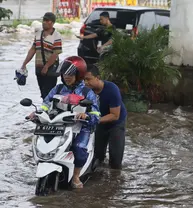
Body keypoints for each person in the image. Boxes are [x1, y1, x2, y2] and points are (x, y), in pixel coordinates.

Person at [29, 56, 100, 188]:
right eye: (64, 74)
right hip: (58, 124)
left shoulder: (87, 92)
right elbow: (46, 104)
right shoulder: (57, 89)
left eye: (71, 74)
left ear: (79, 75)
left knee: (79, 148)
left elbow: (96, 114)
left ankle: (76, 176)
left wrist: (87, 116)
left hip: (80, 126)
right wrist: (36, 113)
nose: (66, 77)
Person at [84, 65, 127, 169]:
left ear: (97, 77)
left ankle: (114, 180)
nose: (85, 83)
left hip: (115, 123)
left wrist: (94, 120)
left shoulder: (112, 90)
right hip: (99, 122)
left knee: (116, 162)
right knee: (97, 155)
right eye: (84, 80)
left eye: (88, 79)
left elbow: (115, 115)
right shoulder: (86, 91)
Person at [21, 12, 62, 99]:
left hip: (51, 69)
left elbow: (55, 53)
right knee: (43, 92)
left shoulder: (56, 36)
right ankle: (44, 109)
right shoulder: (38, 33)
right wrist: (24, 64)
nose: (44, 22)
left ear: (52, 22)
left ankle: (49, 110)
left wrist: (46, 66)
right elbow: (33, 49)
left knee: (49, 93)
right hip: (39, 67)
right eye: (44, 20)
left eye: (47, 20)